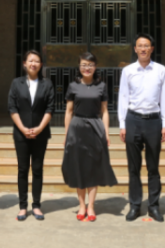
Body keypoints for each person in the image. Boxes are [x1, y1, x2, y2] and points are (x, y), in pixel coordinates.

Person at [118, 33, 165, 222]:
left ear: (151, 49)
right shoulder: (128, 71)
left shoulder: (161, 70)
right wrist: (122, 124)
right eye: (140, 45)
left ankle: (153, 206)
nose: (143, 49)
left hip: (153, 121)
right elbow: (123, 97)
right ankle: (135, 205)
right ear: (135, 49)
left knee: (153, 167)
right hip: (133, 119)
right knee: (134, 167)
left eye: (146, 45)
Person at [61, 52, 117, 222]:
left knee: (93, 168)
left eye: (90, 64)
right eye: (84, 64)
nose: (87, 68)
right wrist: (67, 134)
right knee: (78, 167)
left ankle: (91, 206)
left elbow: (105, 111)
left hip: (95, 127)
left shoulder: (101, 86)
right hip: (77, 127)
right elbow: (68, 112)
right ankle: (81, 205)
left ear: (95, 67)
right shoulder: (73, 86)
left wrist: (106, 132)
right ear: (79, 66)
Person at [8, 50, 55, 221]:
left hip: (40, 134)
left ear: (41, 65)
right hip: (21, 134)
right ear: (24, 64)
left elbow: (50, 108)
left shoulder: (47, 83)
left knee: (37, 169)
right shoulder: (16, 83)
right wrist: (22, 128)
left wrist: (40, 128)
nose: (33, 64)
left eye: (37, 61)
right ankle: (22, 206)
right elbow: (12, 107)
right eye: (30, 60)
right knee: (22, 169)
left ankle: (36, 205)